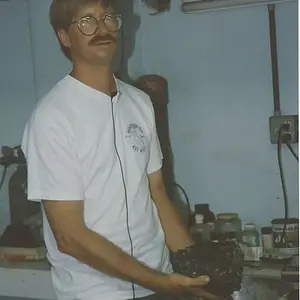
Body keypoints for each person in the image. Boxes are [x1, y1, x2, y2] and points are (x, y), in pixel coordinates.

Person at [21, 1, 219, 300]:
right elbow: (69, 236)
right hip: (97, 292)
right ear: (65, 37)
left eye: (108, 18)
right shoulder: (53, 117)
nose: (102, 29)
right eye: (87, 21)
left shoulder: (139, 102)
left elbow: (157, 194)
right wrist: (159, 282)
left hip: (161, 284)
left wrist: (193, 273)